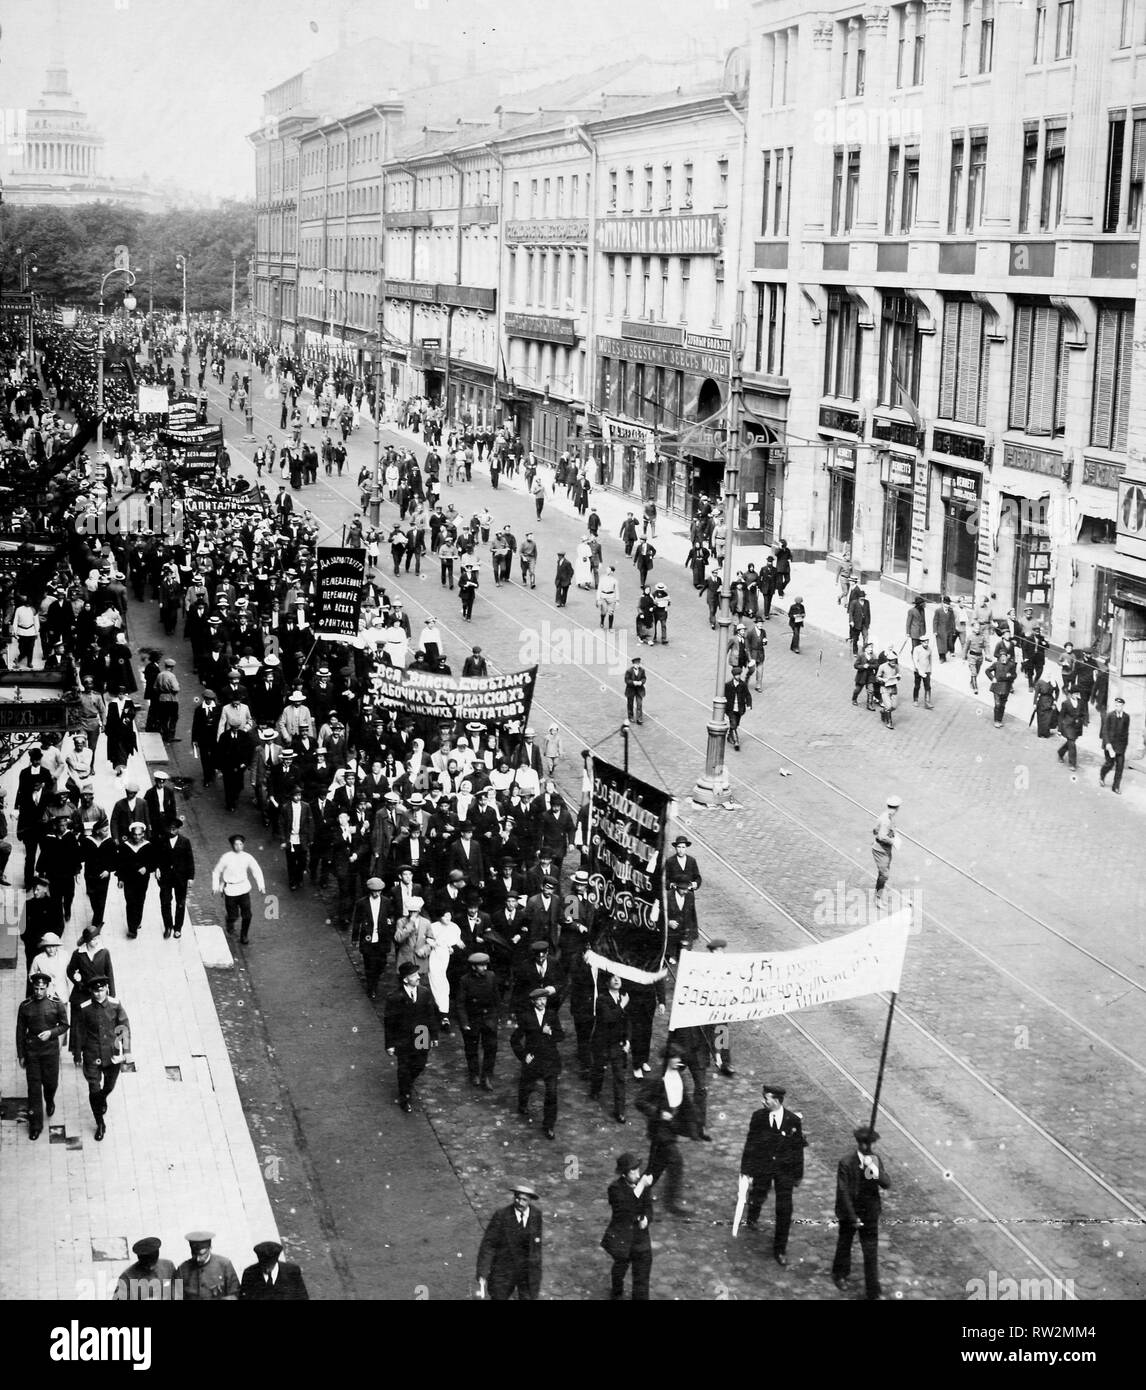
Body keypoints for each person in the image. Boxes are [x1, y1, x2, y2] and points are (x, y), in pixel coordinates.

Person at [739, 1084, 807, 1266]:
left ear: (776, 1101)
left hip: (784, 1172)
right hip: (763, 1168)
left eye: (767, 1098)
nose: (763, 1101)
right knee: (758, 1194)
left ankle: (780, 1249)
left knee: (784, 1209)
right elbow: (751, 1143)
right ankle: (752, 1217)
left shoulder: (792, 1120)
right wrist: (746, 1169)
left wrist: (798, 1174)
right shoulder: (758, 1117)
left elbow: (798, 1149)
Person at [832, 1125, 891, 1300]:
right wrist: (853, 1217)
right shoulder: (846, 1163)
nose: (869, 1148)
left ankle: (873, 1290)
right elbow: (843, 1192)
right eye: (867, 1145)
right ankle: (840, 1274)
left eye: (871, 1145)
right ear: (860, 1144)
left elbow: (886, 1183)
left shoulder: (874, 1160)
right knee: (844, 1245)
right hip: (850, 1212)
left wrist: (873, 1169)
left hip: (870, 1213)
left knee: (870, 1252)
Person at [639, 1044, 696, 1215]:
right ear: (667, 1059)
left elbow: (684, 1100)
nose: (679, 1060)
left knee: (657, 1165)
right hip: (660, 1129)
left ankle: (639, 1193)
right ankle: (672, 1203)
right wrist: (658, 1113)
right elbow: (640, 1101)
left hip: (672, 1127)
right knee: (676, 1162)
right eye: (675, 1057)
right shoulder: (657, 1079)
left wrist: (693, 1126)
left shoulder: (679, 1075)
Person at [75, 975, 130, 1141]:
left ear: (106, 988)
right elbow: (78, 1032)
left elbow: (124, 1028)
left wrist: (126, 1050)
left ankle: (103, 1097)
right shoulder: (85, 1008)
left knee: (109, 1086)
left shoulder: (115, 1005)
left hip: (111, 1055)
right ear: (91, 991)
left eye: (101, 990)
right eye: (95, 991)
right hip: (92, 1055)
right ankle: (99, 1123)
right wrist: (77, 1053)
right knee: (94, 1090)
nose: (98, 994)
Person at [16, 971, 69, 1141]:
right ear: (33, 987)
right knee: (33, 1090)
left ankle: (50, 1099)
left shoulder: (56, 1004)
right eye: (36, 988)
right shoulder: (25, 1006)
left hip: (50, 1052)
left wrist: (51, 1033)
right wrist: (21, 1055)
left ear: (47, 987)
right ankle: (36, 1125)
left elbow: (65, 1025)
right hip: (32, 1052)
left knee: (51, 1083)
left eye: (42, 988)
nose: (39, 992)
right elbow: (19, 1032)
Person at [384, 960, 440, 1112]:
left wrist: (434, 1036)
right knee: (404, 1068)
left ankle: (407, 1084)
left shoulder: (424, 993)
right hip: (403, 1039)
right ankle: (405, 1097)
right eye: (413, 975)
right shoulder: (394, 998)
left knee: (419, 1065)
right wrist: (389, 1044)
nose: (418, 977)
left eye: (417, 974)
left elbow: (431, 1015)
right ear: (405, 979)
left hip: (421, 1035)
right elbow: (389, 1022)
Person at [475, 1181, 543, 1301]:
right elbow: (489, 1244)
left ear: (530, 1200)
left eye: (524, 1200)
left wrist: (536, 1269)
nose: (519, 1203)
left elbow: (536, 1246)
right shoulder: (501, 1216)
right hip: (504, 1271)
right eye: (517, 1198)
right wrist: (483, 1272)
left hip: (527, 1272)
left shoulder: (536, 1215)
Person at [512, 984, 563, 1139]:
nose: (542, 1003)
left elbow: (561, 1036)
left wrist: (551, 1032)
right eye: (538, 1000)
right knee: (526, 1085)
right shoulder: (526, 1017)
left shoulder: (552, 1015)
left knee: (552, 1093)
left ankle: (549, 1125)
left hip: (550, 1060)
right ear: (533, 1001)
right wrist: (523, 1055)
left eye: (544, 999)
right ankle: (522, 1104)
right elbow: (514, 1039)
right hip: (533, 1060)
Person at [602, 1152, 655, 1300]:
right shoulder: (615, 1189)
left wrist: (647, 1218)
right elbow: (625, 1209)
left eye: (638, 1170)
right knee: (620, 1268)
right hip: (623, 1238)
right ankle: (616, 1291)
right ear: (624, 1174)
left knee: (642, 1278)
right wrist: (641, 1186)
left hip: (640, 1239)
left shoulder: (642, 1186)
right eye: (633, 1172)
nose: (637, 1175)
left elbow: (649, 1207)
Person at [589, 974, 630, 1124]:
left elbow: (628, 1021)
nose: (617, 979)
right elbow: (608, 1018)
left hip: (617, 1044)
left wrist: (627, 1040)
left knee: (619, 1077)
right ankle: (595, 1090)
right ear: (607, 982)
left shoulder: (624, 997)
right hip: (602, 1043)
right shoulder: (601, 999)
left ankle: (620, 1111)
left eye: (619, 977)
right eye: (613, 978)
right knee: (599, 1069)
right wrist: (622, 1005)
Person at [211, 833, 266, 945]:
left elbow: (256, 870)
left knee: (247, 915)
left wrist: (261, 886)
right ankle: (229, 921)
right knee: (233, 915)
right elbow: (216, 872)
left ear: (243, 845)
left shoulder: (247, 857)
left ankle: (244, 934)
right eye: (236, 844)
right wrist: (215, 886)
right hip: (230, 891)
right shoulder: (226, 857)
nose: (238, 846)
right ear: (232, 845)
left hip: (243, 889)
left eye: (241, 844)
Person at [456, 952, 501, 1088]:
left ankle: (487, 1076)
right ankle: (474, 1073)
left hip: (488, 1019)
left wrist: (495, 1018)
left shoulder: (491, 977)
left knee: (491, 1048)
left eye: (485, 965)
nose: (485, 968)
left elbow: (496, 999)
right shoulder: (465, 980)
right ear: (474, 967)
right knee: (471, 1049)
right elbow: (460, 1004)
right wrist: (464, 1023)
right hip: (472, 1020)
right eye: (481, 965)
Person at [350, 876, 392, 999]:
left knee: (381, 963)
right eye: (374, 891)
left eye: (379, 891)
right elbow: (356, 921)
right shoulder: (361, 903)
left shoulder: (386, 902)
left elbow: (390, 917)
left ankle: (375, 979)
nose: (377, 893)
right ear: (370, 891)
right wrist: (354, 938)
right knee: (369, 965)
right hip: (368, 939)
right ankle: (371, 987)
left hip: (382, 939)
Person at [154, 816, 195, 940]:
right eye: (170, 828)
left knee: (180, 903)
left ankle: (178, 928)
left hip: (180, 878)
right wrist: (157, 868)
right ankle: (168, 927)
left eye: (175, 828)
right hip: (166, 877)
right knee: (165, 902)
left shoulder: (185, 841)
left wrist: (190, 877)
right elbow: (157, 856)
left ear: (178, 829)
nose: (172, 830)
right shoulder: (162, 840)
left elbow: (190, 860)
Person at [116, 821, 155, 939]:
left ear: (143, 834)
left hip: (142, 880)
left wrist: (146, 868)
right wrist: (120, 879)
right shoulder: (124, 846)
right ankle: (132, 929)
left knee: (139, 901)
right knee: (130, 902)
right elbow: (120, 864)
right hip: (129, 879)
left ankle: (137, 921)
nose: (137, 837)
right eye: (135, 834)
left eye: (140, 834)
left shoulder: (148, 846)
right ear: (131, 834)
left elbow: (153, 862)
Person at [177, 1232, 240, 1301]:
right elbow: (176, 1296)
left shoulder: (225, 1265)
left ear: (209, 1248)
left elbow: (235, 1294)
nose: (198, 1259)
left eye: (202, 1255)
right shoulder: (182, 1269)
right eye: (195, 1254)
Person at [239, 1241, 310, 1300]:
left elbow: (303, 1297)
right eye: (263, 1266)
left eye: (269, 1266)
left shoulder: (292, 1271)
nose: (267, 1270)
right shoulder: (249, 1273)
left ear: (275, 1261)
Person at [113, 1237, 178, 1301]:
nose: (150, 1268)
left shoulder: (168, 1266)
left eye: (153, 1265)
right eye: (146, 1266)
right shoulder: (127, 1277)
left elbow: (177, 1289)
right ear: (139, 1259)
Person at [871, 796, 901, 904]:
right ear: (897, 808)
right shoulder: (887, 819)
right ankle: (877, 899)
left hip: (885, 849)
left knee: (884, 874)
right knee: (884, 875)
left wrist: (893, 835)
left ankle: (878, 897)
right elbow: (882, 836)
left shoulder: (886, 816)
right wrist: (893, 841)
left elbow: (875, 831)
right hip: (880, 850)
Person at [1099, 696, 1131, 794]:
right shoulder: (1109, 716)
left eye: (1120, 706)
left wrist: (1124, 746)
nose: (1118, 707)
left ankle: (1115, 786)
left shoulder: (1126, 717)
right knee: (1109, 764)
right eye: (1116, 705)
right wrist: (1108, 744)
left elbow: (1126, 732)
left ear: (1123, 706)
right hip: (1110, 746)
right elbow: (1105, 731)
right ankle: (1102, 776)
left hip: (1120, 747)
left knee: (1120, 767)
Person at [984, 641, 1017, 728]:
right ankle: (996, 720)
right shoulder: (996, 664)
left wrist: (1010, 676)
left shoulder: (1011, 665)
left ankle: (999, 720)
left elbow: (1015, 675)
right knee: (997, 704)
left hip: (1006, 687)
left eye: (1004, 656)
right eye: (1001, 657)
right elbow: (987, 671)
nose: (1003, 658)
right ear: (999, 658)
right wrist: (992, 678)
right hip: (997, 686)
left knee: (1002, 705)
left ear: (1007, 657)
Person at [723, 666, 753, 751]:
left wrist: (749, 705)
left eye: (739, 675)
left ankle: (729, 735)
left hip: (739, 709)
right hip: (730, 708)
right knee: (733, 723)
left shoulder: (743, 684)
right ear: (733, 676)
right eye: (736, 675)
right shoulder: (728, 685)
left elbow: (747, 695)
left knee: (736, 724)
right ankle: (736, 742)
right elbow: (724, 695)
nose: (738, 677)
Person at [875, 651, 900, 729]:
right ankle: (889, 722)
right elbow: (877, 677)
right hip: (885, 688)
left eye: (894, 660)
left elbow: (898, 676)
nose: (893, 662)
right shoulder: (882, 666)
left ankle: (883, 711)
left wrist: (898, 677)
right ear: (888, 660)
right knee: (888, 706)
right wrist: (883, 680)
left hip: (893, 688)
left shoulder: (896, 667)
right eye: (891, 660)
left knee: (894, 706)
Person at [1032, 674, 1060, 739]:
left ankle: (1046, 733)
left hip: (1050, 701)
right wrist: (1034, 703)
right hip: (1042, 701)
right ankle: (1041, 733)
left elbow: (1057, 691)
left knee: (1049, 718)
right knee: (1041, 718)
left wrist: (1055, 700)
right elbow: (1036, 693)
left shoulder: (1053, 682)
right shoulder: (1040, 682)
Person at [624, 655, 647, 725]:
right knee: (630, 704)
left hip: (639, 690)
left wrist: (641, 682)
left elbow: (644, 678)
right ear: (633, 664)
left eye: (639, 663)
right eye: (636, 664)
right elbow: (627, 680)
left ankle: (639, 718)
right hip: (631, 690)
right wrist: (633, 682)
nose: (638, 665)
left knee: (639, 704)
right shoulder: (629, 671)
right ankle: (630, 716)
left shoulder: (642, 670)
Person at [912, 640, 933, 709]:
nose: (926, 644)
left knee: (928, 686)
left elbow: (930, 660)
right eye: (924, 642)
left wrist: (930, 670)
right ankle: (915, 700)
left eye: (927, 642)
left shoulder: (929, 649)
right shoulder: (916, 649)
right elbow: (915, 660)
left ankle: (927, 702)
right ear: (921, 642)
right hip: (918, 670)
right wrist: (919, 671)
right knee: (917, 686)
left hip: (926, 670)